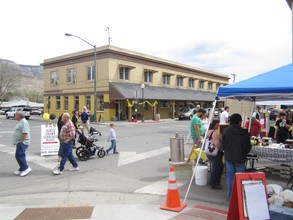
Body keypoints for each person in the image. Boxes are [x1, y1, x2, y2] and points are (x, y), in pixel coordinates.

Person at [222, 113, 252, 199]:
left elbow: (223, 145)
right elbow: (248, 148)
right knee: (240, 178)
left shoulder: (225, 131)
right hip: (240, 158)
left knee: (230, 177)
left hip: (229, 157)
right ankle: (239, 196)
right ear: (239, 122)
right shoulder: (245, 132)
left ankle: (231, 195)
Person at [206, 119, 224, 190]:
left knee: (218, 166)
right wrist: (222, 149)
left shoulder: (209, 131)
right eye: (218, 124)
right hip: (215, 153)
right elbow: (217, 145)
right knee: (216, 167)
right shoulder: (214, 133)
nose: (219, 125)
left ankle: (214, 182)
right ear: (216, 124)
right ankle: (214, 183)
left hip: (209, 152)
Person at [13, 111, 31, 177]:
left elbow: (25, 132)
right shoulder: (20, 122)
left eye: (16, 114)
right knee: (19, 155)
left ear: (19, 116)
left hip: (23, 142)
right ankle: (22, 168)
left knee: (19, 155)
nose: (15, 115)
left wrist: (21, 141)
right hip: (20, 142)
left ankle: (26, 168)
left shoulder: (24, 122)